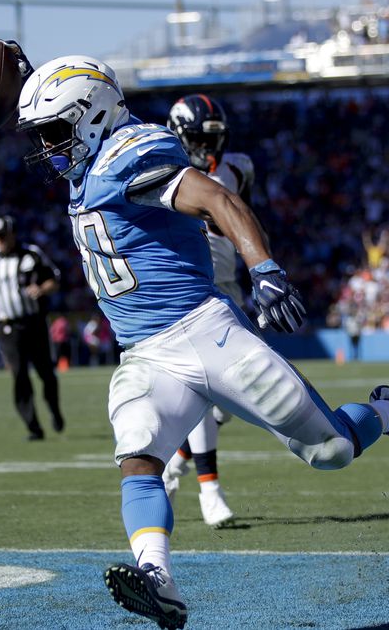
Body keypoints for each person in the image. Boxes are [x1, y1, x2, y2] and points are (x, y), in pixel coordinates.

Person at [10, 50, 389, 629]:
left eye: (56, 131)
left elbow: (219, 199)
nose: (49, 147)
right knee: (137, 455)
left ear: (91, 116)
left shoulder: (130, 152)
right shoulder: (91, 160)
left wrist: (265, 269)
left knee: (332, 451)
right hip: (145, 353)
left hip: (206, 331)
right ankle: (157, 579)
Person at [160, 93, 259, 528]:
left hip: (230, 285)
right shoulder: (160, 167)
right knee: (206, 392)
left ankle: (177, 461)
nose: (210, 147)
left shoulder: (238, 167)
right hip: (189, 288)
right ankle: (210, 490)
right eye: (202, 138)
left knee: (231, 400)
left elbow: (241, 213)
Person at [0, 215, 65, 440]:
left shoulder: (32, 254)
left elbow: (54, 279)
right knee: (19, 375)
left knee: (46, 373)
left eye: (3, 236)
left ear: (13, 235)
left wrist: (41, 289)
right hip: (8, 325)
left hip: (34, 321)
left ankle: (54, 410)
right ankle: (33, 427)